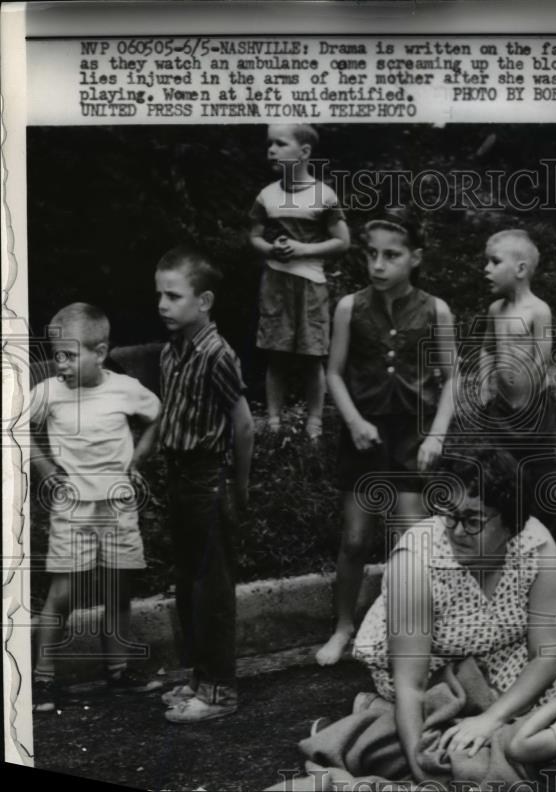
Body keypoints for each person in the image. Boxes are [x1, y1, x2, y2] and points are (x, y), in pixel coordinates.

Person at [352, 446, 556, 782]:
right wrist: (421, 771)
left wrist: (491, 717)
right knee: (457, 749)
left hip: (508, 653)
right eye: (448, 514)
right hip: (438, 671)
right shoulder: (416, 563)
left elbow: (545, 658)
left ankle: (529, 733)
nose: (456, 530)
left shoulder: (536, 545)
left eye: (472, 520)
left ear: (511, 525)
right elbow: (411, 684)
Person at [315, 208, 457, 666]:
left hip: (413, 434)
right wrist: (354, 421)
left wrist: (436, 435)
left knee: (410, 541)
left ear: (415, 258)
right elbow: (333, 373)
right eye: (372, 254)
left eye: (391, 255)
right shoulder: (348, 308)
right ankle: (343, 627)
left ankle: (409, 633)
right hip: (364, 434)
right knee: (355, 539)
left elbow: (454, 379)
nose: (378, 264)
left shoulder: (437, 310)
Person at [29, 303, 163, 712]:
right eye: (57, 355)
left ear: (100, 352)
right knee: (63, 594)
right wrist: (46, 468)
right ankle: (42, 679)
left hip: (118, 509)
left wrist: (139, 459)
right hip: (74, 512)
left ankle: (118, 670)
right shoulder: (48, 393)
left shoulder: (123, 387)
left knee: (117, 590)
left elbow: (158, 415)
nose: (61, 365)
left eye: (70, 355)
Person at [154, 247, 255, 723]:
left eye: (174, 295)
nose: (163, 304)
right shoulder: (171, 351)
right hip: (179, 477)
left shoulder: (218, 354)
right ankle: (197, 678)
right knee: (189, 584)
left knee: (213, 589)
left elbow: (244, 425)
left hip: (207, 478)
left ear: (205, 300)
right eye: (160, 294)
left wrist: (240, 484)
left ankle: (220, 692)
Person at [249, 123, 351, 439]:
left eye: (280, 143)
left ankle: (315, 423)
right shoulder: (267, 195)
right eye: (269, 144)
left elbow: (343, 241)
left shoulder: (324, 195)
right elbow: (252, 236)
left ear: (304, 152)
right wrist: (270, 249)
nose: (271, 150)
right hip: (276, 285)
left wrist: (304, 249)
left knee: (311, 357)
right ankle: (275, 421)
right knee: (276, 354)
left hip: (311, 284)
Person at [478, 229, 556, 547]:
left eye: (494, 261)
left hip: (534, 412)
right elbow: (488, 348)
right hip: (502, 412)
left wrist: (528, 401)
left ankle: (553, 545)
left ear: (520, 269)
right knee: (500, 472)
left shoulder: (538, 311)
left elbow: (542, 357)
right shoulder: (495, 311)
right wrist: (487, 383)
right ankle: (507, 538)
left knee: (543, 478)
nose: (486, 269)